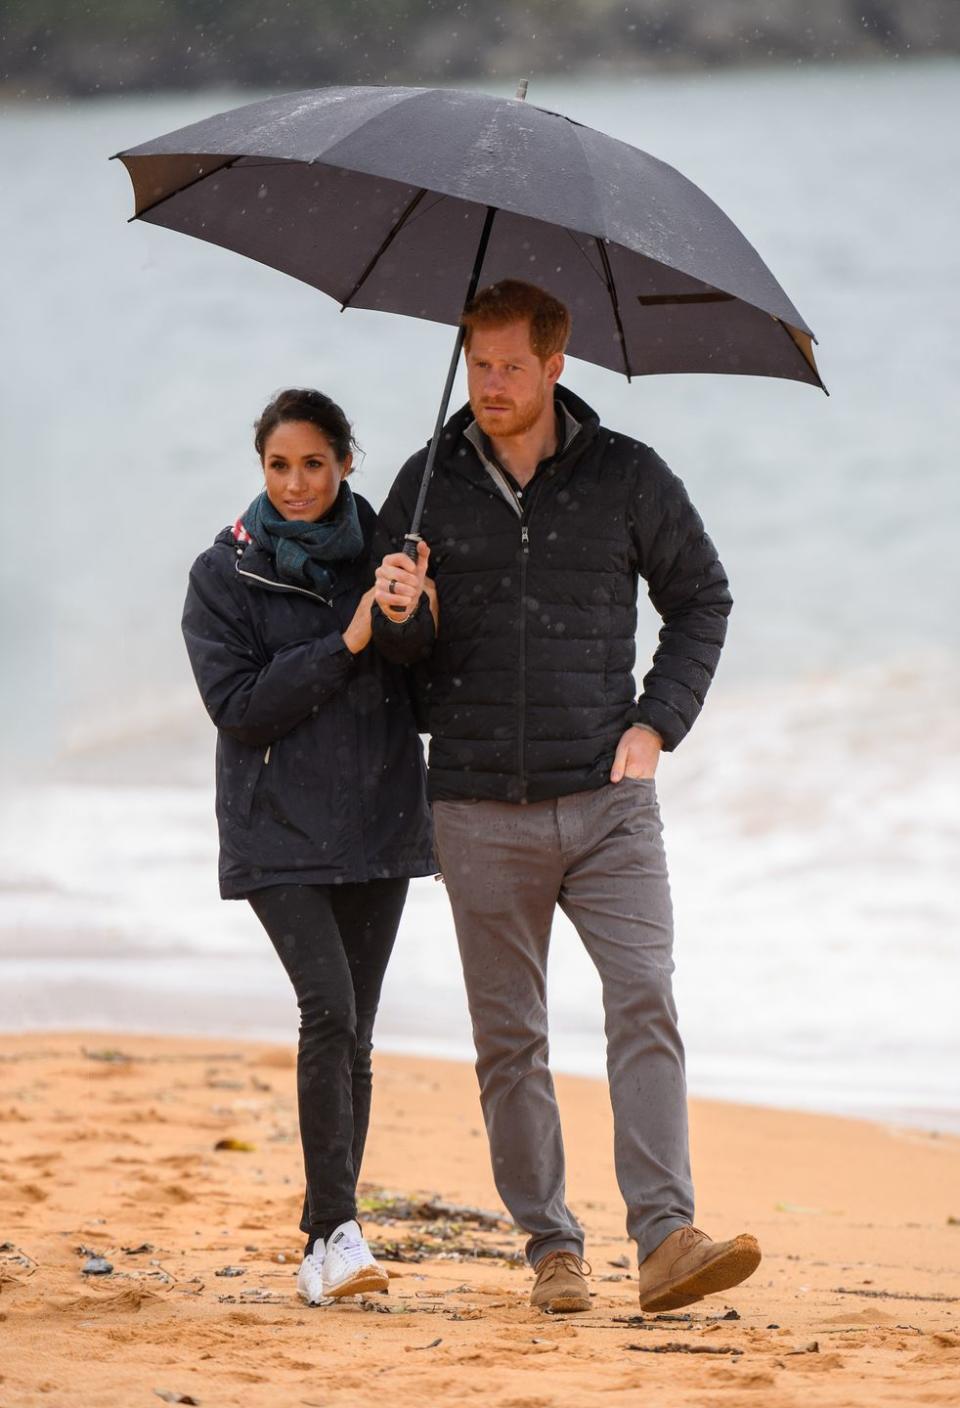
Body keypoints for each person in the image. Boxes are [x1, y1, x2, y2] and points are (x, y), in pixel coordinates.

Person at [371, 280, 761, 1315]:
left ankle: (667, 1237)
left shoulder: (630, 476)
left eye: (508, 364)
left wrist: (657, 722)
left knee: (644, 995)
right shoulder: (425, 487)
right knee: (510, 1039)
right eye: (476, 363)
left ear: (555, 362)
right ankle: (552, 1248)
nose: (488, 384)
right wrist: (404, 614)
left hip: (608, 799)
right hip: (475, 808)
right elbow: (404, 683)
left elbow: (703, 599)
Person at [182, 388, 435, 1305]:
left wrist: (413, 612)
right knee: (327, 1010)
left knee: (357, 1034)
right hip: (276, 830)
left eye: (315, 465)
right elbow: (242, 708)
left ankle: (334, 1236)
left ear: (347, 464)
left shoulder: (391, 555)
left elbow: (426, 677)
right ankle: (334, 1233)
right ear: (261, 469)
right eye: (279, 465)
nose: (296, 484)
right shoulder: (224, 574)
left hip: (378, 824)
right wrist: (350, 634)